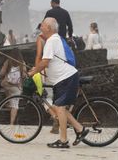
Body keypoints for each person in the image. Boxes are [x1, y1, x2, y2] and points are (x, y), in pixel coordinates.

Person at [29, 18, 89, 149]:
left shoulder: (52, 41)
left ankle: (63, 140)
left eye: (43, 26)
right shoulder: (55, 39)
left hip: (66, 78)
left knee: (60, 108)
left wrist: (34, 72)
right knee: (58, 108)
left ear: (49, 28)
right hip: (63, 79)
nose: (41, 28)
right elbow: (48, 62)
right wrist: (37, 69)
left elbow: (45, 62)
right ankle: (80, 129)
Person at [0, 49, 26, 125]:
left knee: (6, 88)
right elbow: (24, 75)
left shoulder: (8, 61)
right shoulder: (22, 63)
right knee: (15, 105)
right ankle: (11, 123)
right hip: (17, 87)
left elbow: (2, 73)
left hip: (7, 85)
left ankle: (8, 102)